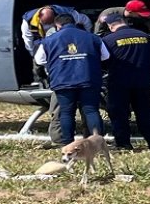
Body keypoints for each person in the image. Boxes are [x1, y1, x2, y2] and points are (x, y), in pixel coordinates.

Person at [35, 14, 109, 144]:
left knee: (66, 113)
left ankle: (67, 142)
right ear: (74, 23)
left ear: (57, 25)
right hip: (89, 79)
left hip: (63, 81)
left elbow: (39, 60)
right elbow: (105, 56)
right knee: (91, 110)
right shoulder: (93, 37)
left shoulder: (49, 40)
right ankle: (97, 141)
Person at [101, 13, 150, 150]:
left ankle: (123, 143)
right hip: (142, 81)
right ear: (124, 22)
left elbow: (103, 62)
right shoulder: (144, 36)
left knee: (119, 113)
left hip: (118, 82)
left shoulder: (108, 40)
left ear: (111, 26)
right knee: (145, 112)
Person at [22, 4, 92, 55]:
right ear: (39, 17)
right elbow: (28, 39)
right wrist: (32, 54)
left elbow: (85, 20)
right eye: (45, 23)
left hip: (66, 41)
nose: (48, 25)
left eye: (50, 23)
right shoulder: (28, 21)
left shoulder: (67, 14)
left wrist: (89, 34)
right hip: (42, 43)